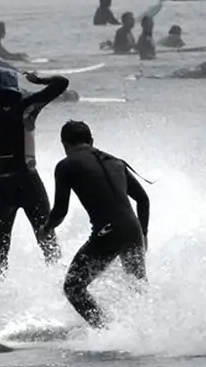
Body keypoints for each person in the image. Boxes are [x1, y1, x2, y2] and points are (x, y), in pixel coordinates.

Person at [40, 121, 149, 328]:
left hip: (109, 231)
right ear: (91, 141)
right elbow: (143, 200)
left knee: (73, 287)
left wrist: (46, 229)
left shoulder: (66, 165)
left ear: (64, 144)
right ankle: (148, 331)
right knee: (138, 287)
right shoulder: (116, 161)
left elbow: (60, 211)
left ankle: (105, 330)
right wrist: (143, 234)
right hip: (133, 230)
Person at [0, 69, 67, 278]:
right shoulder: (28, 108)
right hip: (29, 182)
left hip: (0, 186)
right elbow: (61, 83)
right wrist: (39, 79)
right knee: (46, 237)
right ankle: (60, 280)